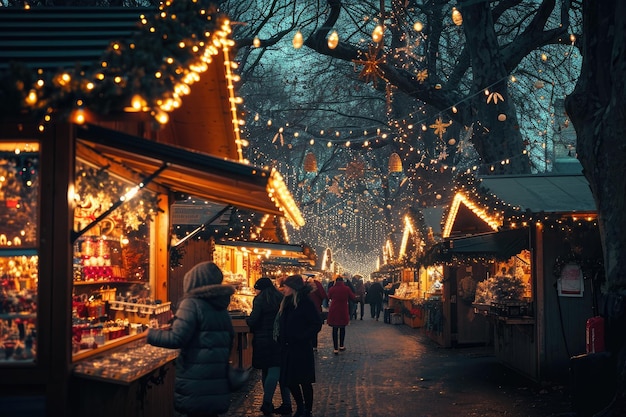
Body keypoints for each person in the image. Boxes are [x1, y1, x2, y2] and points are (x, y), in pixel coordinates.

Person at [146, 261, 234, 417]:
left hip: (196, 380)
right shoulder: (221, 307)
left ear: (193, 282)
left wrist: (149, 333)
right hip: (216, 380)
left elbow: (176, 339)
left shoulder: (191, 303)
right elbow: (227, 339)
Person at [276, 274, 323, 417]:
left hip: (301, 348)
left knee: (304, 380)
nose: (284, 289)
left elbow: (316, 323)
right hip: (288, 347)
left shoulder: (305, 303)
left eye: (287, 286)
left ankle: (307, 410)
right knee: (290, 380)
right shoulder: (286, 302)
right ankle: (301, 405)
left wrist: (303, 337)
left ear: (293, 288)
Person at [246, 277, 292, 416]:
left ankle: (267, 403)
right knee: (279, 370)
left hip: (263, 340)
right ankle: (287, 403)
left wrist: (247, 320)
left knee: (269, 370)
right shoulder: (280, 297)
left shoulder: (259, 300)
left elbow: (253, 320)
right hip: (278, 338)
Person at [326, 275, 356, 354]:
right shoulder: (346, 289)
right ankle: (341, 345)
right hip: (343, 309)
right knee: (342, 328)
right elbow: (353, 297)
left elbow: (328, 296)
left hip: (334, 309)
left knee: (334, 329)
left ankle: (335, 348)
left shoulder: (332, 289)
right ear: (343, 281)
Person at [306, 275, 328, 351]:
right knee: (314, 327)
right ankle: (314, 345)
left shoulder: (305, 285)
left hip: (307, 309)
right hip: (316, 308)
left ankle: (308, 343)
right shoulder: (317, 284)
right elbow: (323, 295)